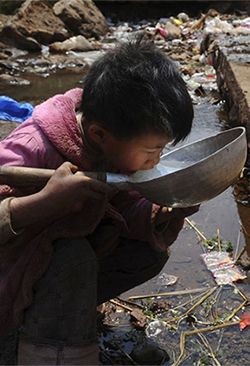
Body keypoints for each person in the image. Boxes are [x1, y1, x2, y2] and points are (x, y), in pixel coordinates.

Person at [0, 40, 198, 365]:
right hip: (12, 272)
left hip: (52, 271)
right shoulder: (32, 147)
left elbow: (124, 205)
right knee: (73, 255)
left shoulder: (116, 145)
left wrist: (155, 214)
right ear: (98, 134)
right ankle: (27, 343)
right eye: (152, 152)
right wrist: (46, 202)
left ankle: (62, 320)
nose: (157, 160)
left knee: (149, 253)